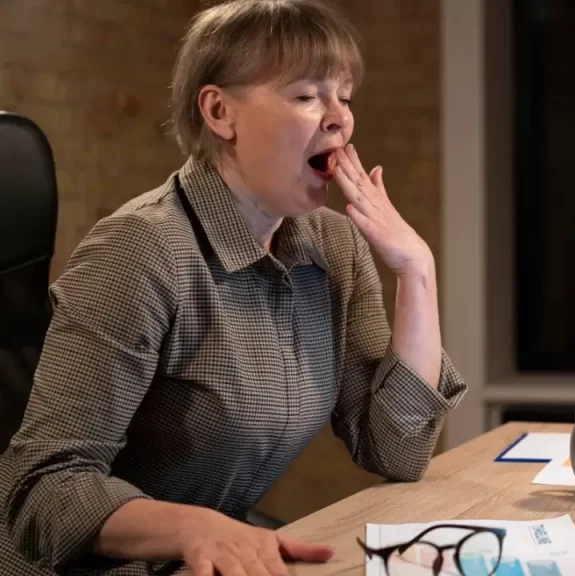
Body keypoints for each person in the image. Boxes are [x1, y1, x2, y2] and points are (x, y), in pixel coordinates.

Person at [0, 1, 467, 574]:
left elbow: (396, 450)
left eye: (344, 96)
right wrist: (192, 526)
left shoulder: (335, 247)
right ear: (220, 112)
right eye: (306, 95)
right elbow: (42, 490)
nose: (340, 118)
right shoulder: (138, 250)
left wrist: (417, 273)